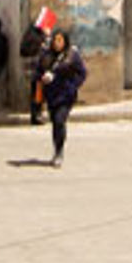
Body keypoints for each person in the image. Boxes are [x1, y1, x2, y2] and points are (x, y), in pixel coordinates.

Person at [39, 30, 87, 168]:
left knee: (60, 120)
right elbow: (38, 71)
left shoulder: (72, 55)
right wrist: (43, 77)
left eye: (60, 40)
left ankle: (59, 152)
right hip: (51, 94)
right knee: (55, 123)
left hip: (66, 95)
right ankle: (57, 148)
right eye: (55, 40)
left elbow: (82, 73)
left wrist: (73, 86)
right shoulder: (46, 55)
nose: (57, 43)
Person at [20, 24, 48, 125]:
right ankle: (36, 116)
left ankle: (36, 115)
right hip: (38, 71)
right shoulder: (37, 39)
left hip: (33, 71)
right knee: (38, 94)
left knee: (36, 94)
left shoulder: (29, 37)